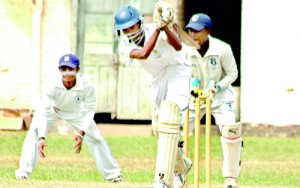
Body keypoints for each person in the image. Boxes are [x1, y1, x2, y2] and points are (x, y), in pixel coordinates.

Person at [114, 3, 192, 188]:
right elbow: (143, 53)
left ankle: (163, 180)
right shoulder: (124, 45)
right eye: (125, 29)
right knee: (159, 127)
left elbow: (178, 46)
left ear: (140, 23)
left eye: (132, 26)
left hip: (177, 70)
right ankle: (181, 166)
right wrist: (159, 28)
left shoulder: (154, 28)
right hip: (157, 77)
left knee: (170, 120)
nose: (129, 31)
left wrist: (164, 26)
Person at [14, 53, 125, 183]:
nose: (67, 73)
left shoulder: (86, 85)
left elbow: (89, 112)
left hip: (77, 112)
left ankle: (114, 175)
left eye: (71, 69)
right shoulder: (52, 84)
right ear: (59, 70)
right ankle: (23, 173)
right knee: (34, 133)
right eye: (63, 69)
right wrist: (41, 138)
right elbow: (44, 111)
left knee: (97, 139)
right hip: (52, 110)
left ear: (77, 69)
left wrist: (82, 133)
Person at [184, 13, 243, 188]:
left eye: (197, 31)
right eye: (190, 31)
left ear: (208, 31)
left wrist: (217, 87)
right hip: (195, 96)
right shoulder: (186, 50)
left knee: (230, 131)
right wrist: (190, 87)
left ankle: (231, 179)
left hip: (219, 96)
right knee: (176, 132)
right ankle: (178, 172)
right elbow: (182, 74)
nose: (193, 35)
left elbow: (233, 74)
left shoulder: (222, 48)